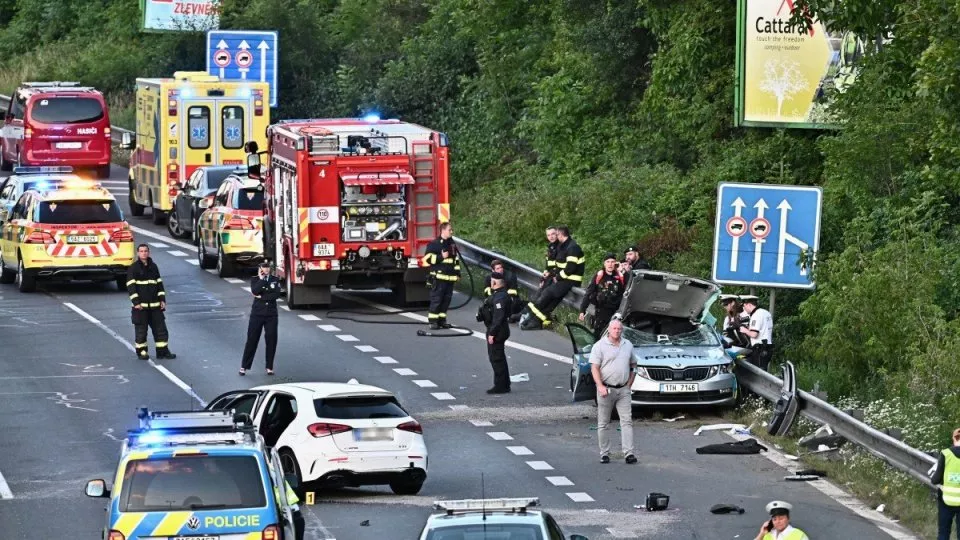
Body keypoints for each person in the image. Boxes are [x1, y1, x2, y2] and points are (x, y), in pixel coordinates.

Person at [589, 319, 636, 464]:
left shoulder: (627, 345)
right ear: (609, 330)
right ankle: (604, 453)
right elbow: (594, 368)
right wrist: (599, 385)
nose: (617, 331)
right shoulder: (599, 346)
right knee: (603, 423)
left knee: (626, 422)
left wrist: (629, 384)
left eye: (619, 329)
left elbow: (634, 365)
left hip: (623, 389)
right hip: (606, 389)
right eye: (614, 328)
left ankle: (629, 453)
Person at [521, 225, 584, 330]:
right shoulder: (563, 246)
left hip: (571, 279)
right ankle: (535, 319)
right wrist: (550, 275)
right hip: (563, 278)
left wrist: (558, 277)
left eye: (556, 234)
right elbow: (556, 265)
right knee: (550, 299)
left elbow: (570, 268)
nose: (554, 237)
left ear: (560, 234)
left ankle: (532, 317)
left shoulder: (573, 248)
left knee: (547, 294)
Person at [127, 244, 176, 360]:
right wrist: (136, 302)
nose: (144, 253)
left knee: (161, 330)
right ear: (138, 253)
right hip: (140, 308)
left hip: (155, 307)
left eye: (146, 251)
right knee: (141, 332)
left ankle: (162, 351)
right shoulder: (133, 268)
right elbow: (131, 286)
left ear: (149, 252)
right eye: (141, 251)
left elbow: (159, 284)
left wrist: (162, 300)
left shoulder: (153, 267)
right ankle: (142, 352)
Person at [240, 261, 282, 376]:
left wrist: (262, 297)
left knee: (271, 339)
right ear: (260, 268)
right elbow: (255, 291)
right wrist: (262, 279)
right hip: (257, 314)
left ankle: (269, 367)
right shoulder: (255, 279)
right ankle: (244, 366)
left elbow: (276, 294)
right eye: (264, 267)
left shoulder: (275, 279)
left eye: (268, 267)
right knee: (252, 340)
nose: (266, 269)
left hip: (271, 315)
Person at [478, 272, 513, 394]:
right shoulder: (498, 295)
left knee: (496, 358)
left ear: (494, 283)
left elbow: (498, 317)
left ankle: (500, 386)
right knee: (499, 357)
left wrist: (492, 333)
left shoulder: (500, 297)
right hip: (498, 329)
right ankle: (505, 383)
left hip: (497, 330)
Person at [422, 222, 460, 330]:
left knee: (446, 301)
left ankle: (442, 320)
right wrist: (441, 257)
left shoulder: (452, 244)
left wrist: (457, 273)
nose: (451, 231)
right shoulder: (434, 244)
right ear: (443, 230)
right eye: (449, 230)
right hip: (439, 278)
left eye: (451, 230)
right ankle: (433, 321)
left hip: (450, 278)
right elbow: (427, 259)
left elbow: (455, 260)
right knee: (437, 300)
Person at [579, 253, 626, 339]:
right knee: (598, 334)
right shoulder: (599, 276)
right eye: (608, 262)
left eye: (612, 262)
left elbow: (625, 294)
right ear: (604, 263)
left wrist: (623, 271)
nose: (610, 264)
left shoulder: (620, 276)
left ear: (615, 263)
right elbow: (589, 292)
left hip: (616, 312)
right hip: (602, 310)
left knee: (614, 336)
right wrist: (582, 310)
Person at [931, 427, 960, 540]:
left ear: (954, 438)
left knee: (943, 532)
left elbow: (936, 479)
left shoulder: (946, 453)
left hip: (946, 500)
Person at [740, 295, 774, 371]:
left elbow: (754, 334)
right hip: (768, 347)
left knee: (758, 373)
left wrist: (744, 330)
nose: (744, 308)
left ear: (749, 304)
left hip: (760, 349)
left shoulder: (756, 315)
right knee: (764, 371)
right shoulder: (766, 312)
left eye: (744, 306)